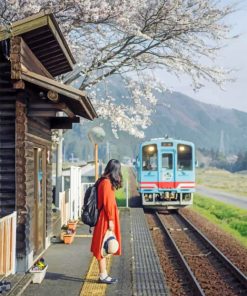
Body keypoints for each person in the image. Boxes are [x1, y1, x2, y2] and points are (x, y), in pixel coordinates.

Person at [90, 159, 122, 284]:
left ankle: (103, 274)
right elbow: (108, 204)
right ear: (115, 170)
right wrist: (111, 220)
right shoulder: (107, 183)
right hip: (106, 218)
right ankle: (103, 275)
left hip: (105, 217)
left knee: (103, 245)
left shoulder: (104, 181)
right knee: (104, 246)